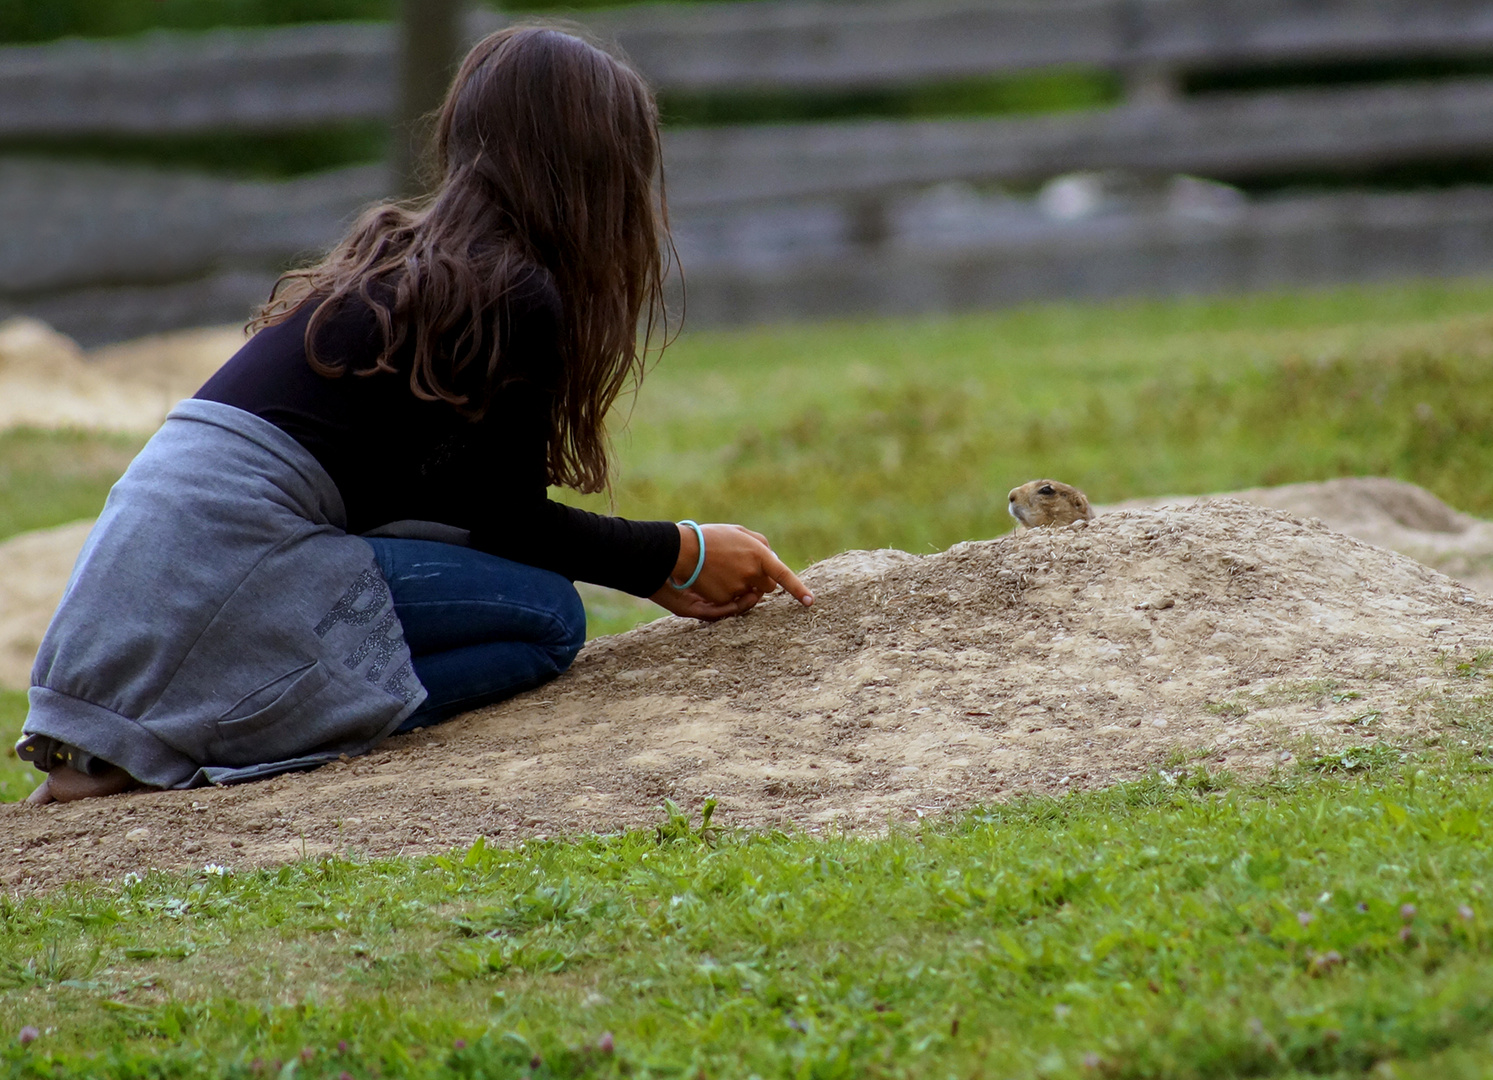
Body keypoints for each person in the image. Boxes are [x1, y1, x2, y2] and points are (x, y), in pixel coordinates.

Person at [17, 25, 812, 805]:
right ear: (599, 169)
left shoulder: (412, 267)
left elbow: (456, 509)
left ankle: (139, 735)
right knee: (545, 618)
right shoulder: (510, 293)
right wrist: (676, 552)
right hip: (226, 567)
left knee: (523, 598)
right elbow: (508, 523)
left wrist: (655, 567)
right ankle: (189, 737)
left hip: (138, 594)